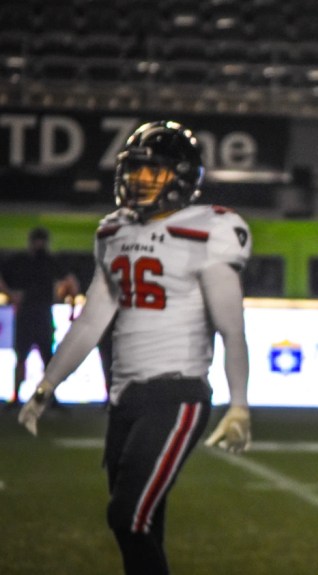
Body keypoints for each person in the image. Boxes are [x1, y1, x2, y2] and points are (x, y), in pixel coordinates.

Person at [18, 120, 254, 575]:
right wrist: (46, 385)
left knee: (127, 517)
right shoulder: (115, 231)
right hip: (124, 398)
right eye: (135, 169)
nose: (138, 179)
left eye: (152, 170)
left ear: (181, 177)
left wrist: (239, 404)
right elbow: (92, 321)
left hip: (177, 392)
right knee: (142, 529)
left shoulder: (209, 229)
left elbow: (232, 328)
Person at [1, 226, 79, 406]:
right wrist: (11, 294)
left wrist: (71, 305)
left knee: (43, 359)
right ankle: (19, 396)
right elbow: (71, 282)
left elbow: (70, 282)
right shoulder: (25, 261)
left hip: (39, 314)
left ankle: (46, 397)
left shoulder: (44, 261)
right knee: (24, 358)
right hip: (30, 314)